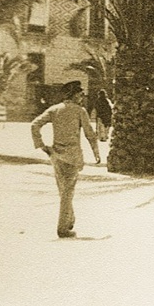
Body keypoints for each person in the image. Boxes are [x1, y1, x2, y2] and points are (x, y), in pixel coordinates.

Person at [31, 80, 100, 238]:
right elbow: (89, 134)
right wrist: (96, 152)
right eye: (80, 95)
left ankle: (69, 219)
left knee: (64, 191)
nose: (82, 98)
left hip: (56, 156)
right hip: (72, 157)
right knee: (68, 192)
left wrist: (42, 146)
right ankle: (63, 228)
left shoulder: (54, 109)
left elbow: (34, 125)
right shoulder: (80, 111)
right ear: (74, 95)